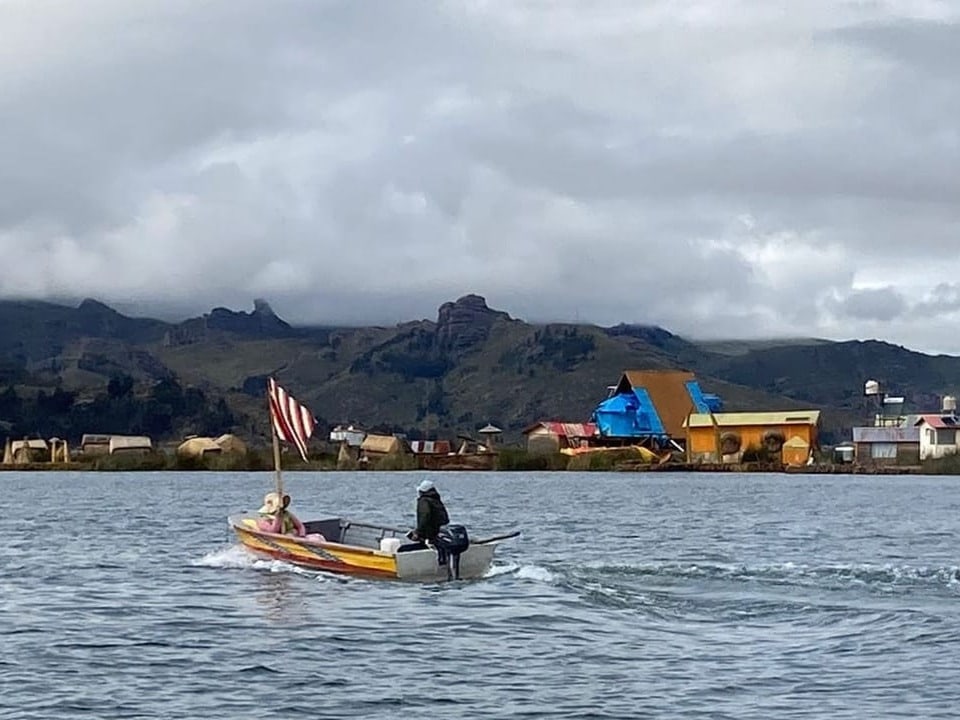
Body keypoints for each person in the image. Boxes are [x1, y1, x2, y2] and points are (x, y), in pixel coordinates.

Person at [408, 479, 449, 545]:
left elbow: (424, 517)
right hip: (438, 534)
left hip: (428, 535)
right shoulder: (436, 500)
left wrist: (418, 532)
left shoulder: (424, 501)